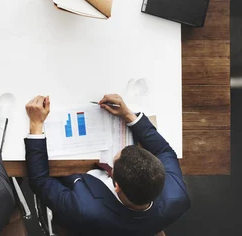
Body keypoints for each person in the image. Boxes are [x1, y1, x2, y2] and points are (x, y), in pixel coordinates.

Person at [24, 94, 191, 236]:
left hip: (77, 191)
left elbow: (39, 181)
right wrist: (129, 115)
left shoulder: (83, 208)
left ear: (116, 185)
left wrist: (36, 125)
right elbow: (165, 151)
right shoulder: (177, 195)